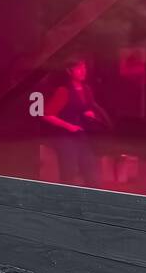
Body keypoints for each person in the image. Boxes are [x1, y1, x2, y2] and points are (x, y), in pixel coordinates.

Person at [42, 56, 111, 188]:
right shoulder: (63, 91)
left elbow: (87, 108)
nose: (83, 71)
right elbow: (47, 115)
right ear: (69, 71)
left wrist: (89, 114)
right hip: (66, 137)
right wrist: (68, 126)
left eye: (83, 67)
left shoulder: (86, 90)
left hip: (84, 136)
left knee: (91, 173)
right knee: (69, 173)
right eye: (78, 68)